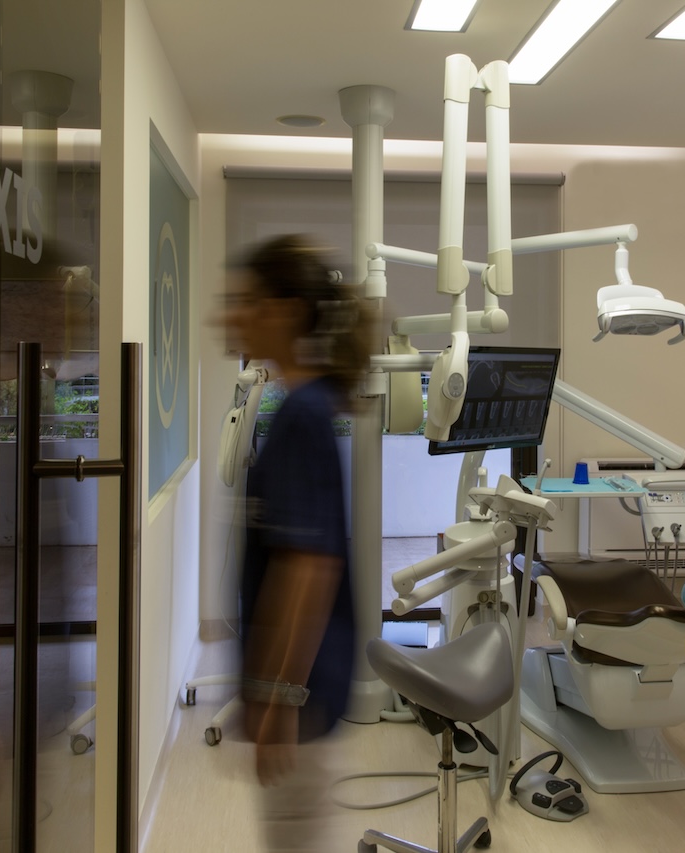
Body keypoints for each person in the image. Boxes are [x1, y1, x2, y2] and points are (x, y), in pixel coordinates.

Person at [219, 234, 370, 850]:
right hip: (301, 688)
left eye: (246, 300)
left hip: (301, 695)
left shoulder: (302, 415)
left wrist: (279, 700)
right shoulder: (296, 406)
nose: (229, 315)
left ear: (282, 311)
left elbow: (309, 569)